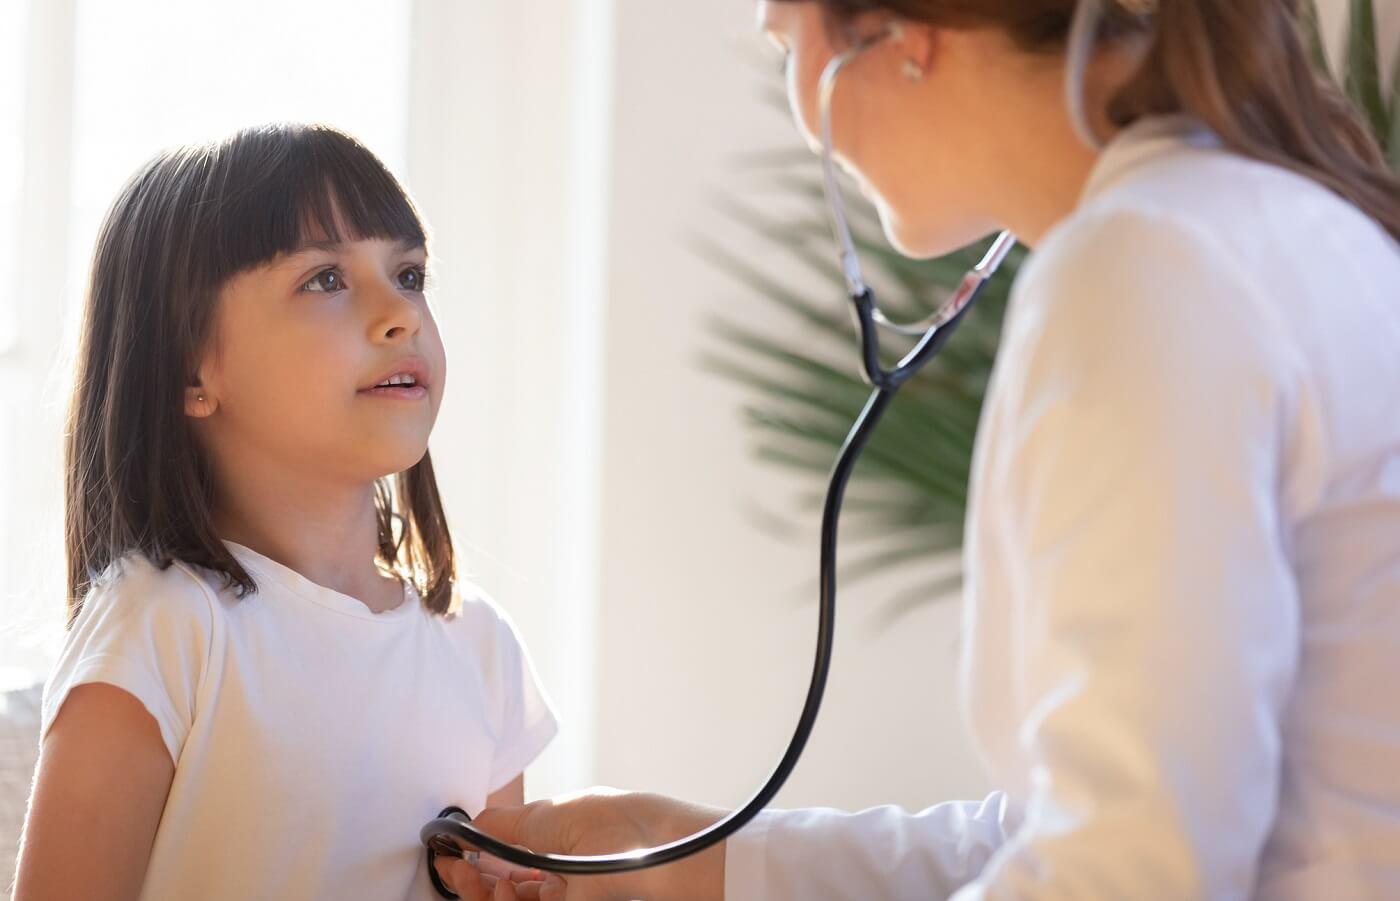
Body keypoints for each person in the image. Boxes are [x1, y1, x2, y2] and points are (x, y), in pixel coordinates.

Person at [439, 0, 1400, 898]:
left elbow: (1134, 863)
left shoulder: (1145, 268)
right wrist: (698, 860)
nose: (807, 124)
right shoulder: (1274, 231)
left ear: (898, 37)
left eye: (788, 51)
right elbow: (1070, 826)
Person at [12, 124, 558, 900]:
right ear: (190, 369)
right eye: (325, 280)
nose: (399, 313)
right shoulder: (163, 629)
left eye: (409, 273)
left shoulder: (482, 650)